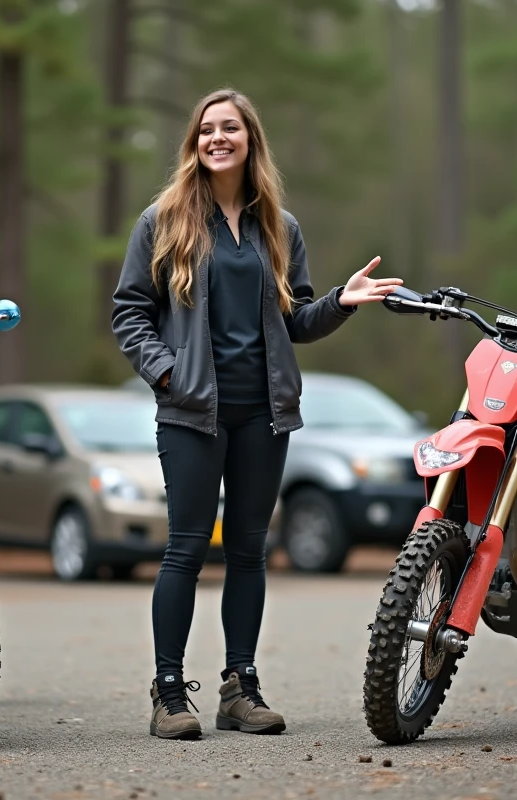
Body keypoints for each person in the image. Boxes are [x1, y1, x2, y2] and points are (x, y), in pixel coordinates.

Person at [111, 88, 403, 739]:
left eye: (230, 128)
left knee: (248, 550)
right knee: (185, 550)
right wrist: (167, 374)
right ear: (195, 142)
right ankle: (168, 694)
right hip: (192, 415)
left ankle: (239, 688)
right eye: (207, 129)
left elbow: (295, 320)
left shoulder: (280, 227)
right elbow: (130, 313)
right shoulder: (163, 221)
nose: (218, 137)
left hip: (263, 416)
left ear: (250, 141)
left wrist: (343, 301)